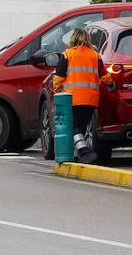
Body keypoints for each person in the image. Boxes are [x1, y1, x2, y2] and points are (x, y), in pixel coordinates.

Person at [52, 27, 112, 163]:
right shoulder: (95, 55)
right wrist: (111, 84)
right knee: (83, 126)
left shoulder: (67, 54)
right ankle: (82, 153)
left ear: (73, 38)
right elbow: (105, 75)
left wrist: (57, 92)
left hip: (71, 99)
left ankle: (84, 152)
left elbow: (59, 78)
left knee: (73, 126)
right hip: (91, 98)